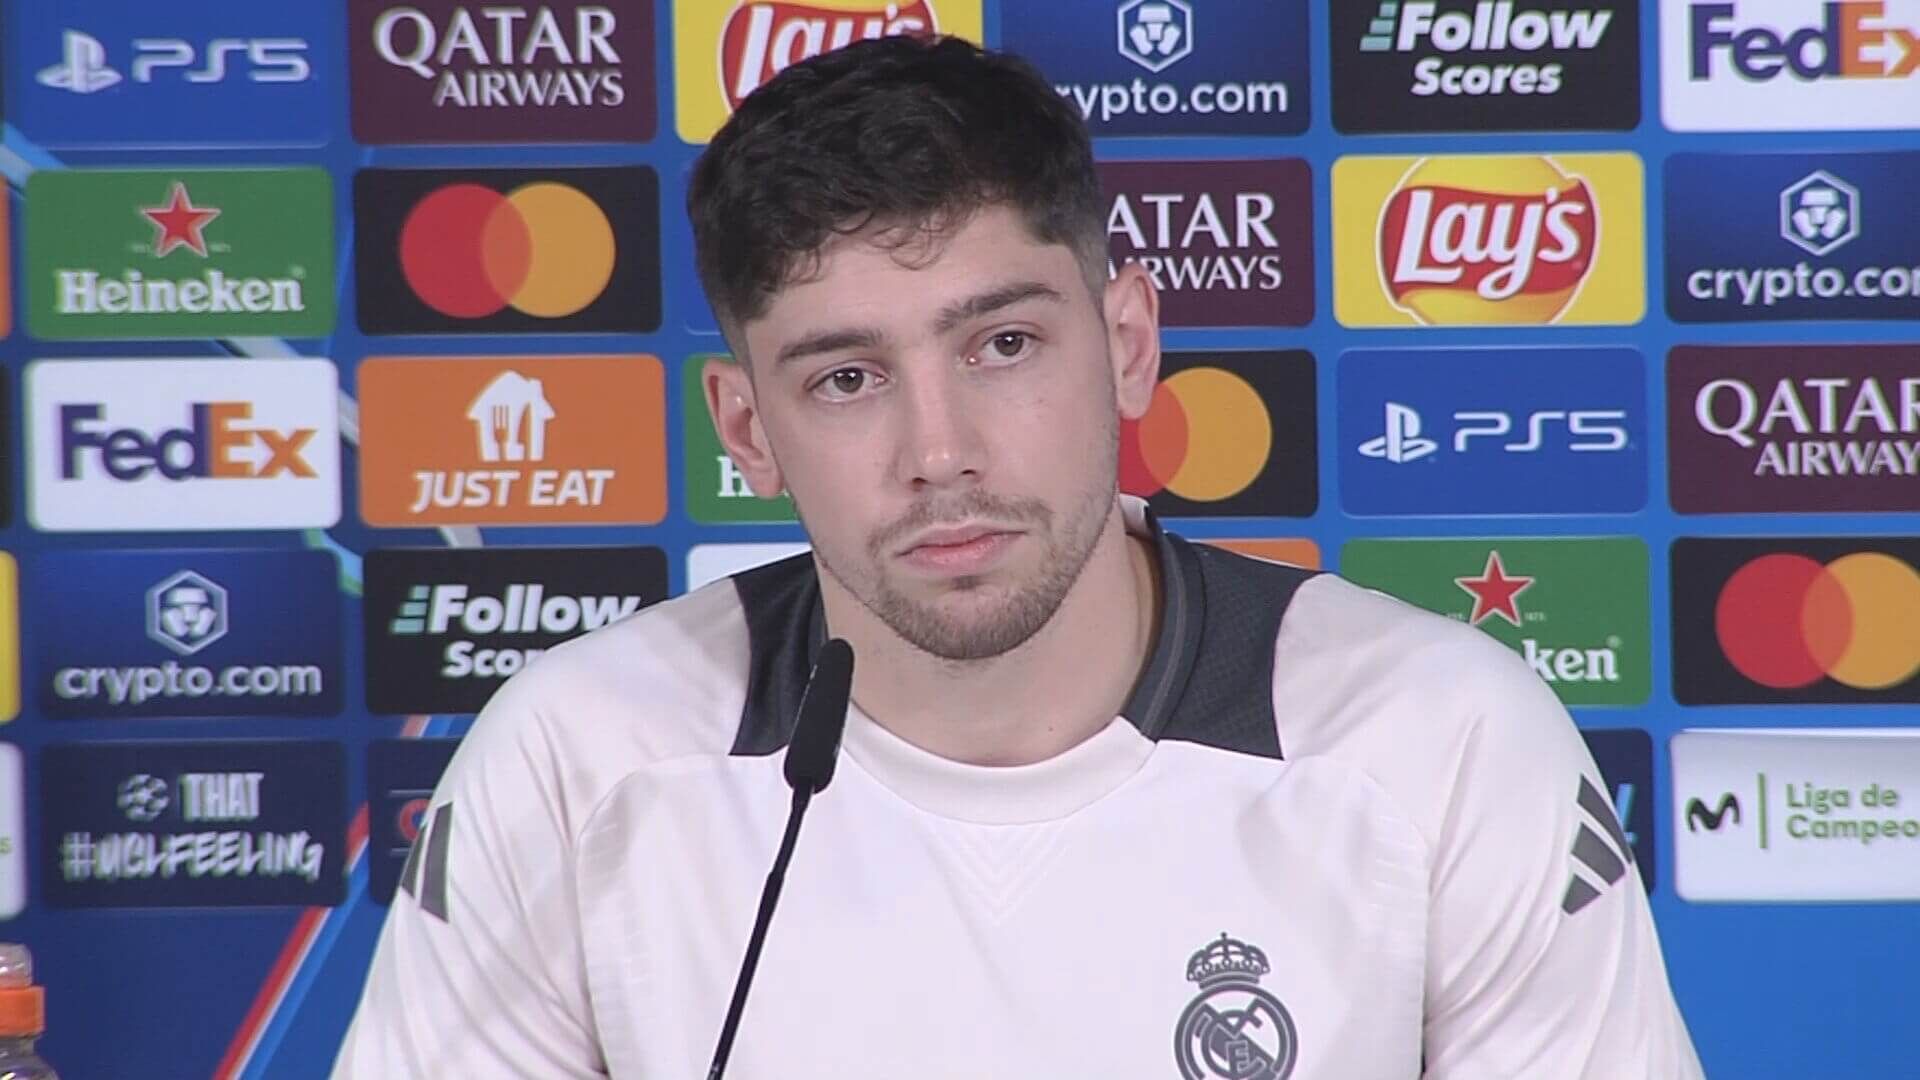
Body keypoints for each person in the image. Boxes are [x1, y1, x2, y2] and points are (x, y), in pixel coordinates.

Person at [333, 36, 1704, 1079]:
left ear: (1124, 344)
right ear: (747, 430)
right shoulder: (578, 766)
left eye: (1003, 345)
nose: (942, 451)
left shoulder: (1439, 742)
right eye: (848, 378)